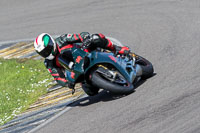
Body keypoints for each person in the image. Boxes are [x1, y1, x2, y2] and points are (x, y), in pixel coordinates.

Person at [34, 32, 130, 92]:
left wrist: (85, 39)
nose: (47, 53)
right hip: (78, 70)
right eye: (43, 53)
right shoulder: (49, 63)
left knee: (97, 37)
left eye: (47, 50)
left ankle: (117, 48)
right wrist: (68, 84)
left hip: (85, 51)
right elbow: (58, 78)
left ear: (51, 43)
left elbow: (80, 35)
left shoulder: (62, 39)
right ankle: (101, 80)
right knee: (91, 92)